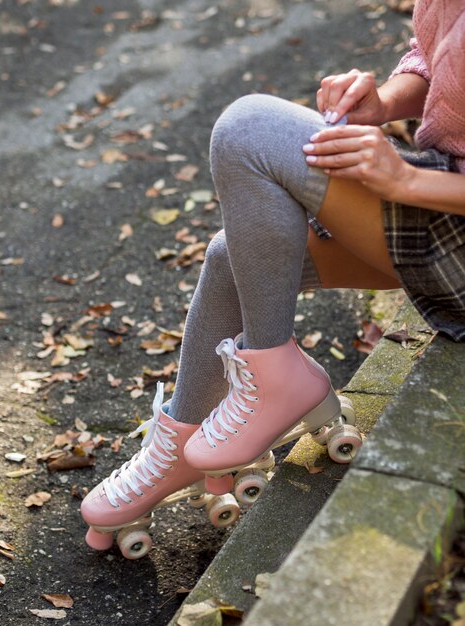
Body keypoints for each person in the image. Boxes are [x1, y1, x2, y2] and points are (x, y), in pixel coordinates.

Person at [81, 0, 465, 545]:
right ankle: (179, 446)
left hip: (449, 219)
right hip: (442, 202)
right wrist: (382, 101)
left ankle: (275, 377)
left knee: (248, 128)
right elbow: (433, 59)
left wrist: (404, 183)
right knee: (231, 258)